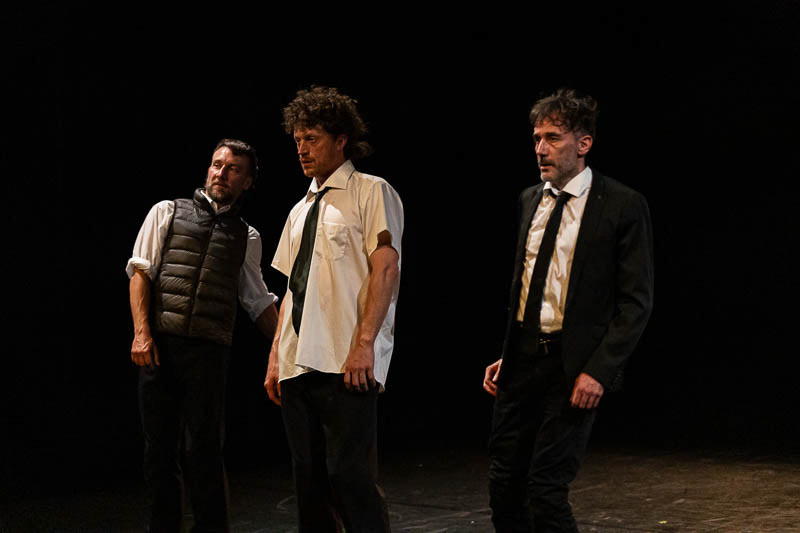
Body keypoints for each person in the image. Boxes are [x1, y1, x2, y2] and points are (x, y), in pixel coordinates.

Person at [483, 89, 654, 532]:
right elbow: (529, 287)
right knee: (503, 484)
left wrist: (599, 371)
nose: (540, 149)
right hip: (522, 362)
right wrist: (510, 350)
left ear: (584, 143)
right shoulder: (529, 200)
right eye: (536, 138)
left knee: (545, 488)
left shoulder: (620, 204)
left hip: (572, 367)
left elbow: (636, 301)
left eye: (553, 138)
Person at [264, 86, 403, 533]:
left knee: (350, 477)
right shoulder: (298, 211)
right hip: (297, 362)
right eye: (297, 140)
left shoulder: (371, 191)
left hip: (346, 360)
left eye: (312, 138)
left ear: (341, 139)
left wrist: (365, 345)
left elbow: (385, 270)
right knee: (309, 483)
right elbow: (291, 290)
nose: (302, 149)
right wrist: (276, 358)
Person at [127, 138, 279, 532]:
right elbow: (140, 273)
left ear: (247, 181)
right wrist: (141, 333)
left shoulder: (246, 236)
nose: (221, 173)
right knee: (159, 452)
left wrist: (287, 349)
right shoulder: (167, 211)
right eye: (217, 164)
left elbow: (256, 299)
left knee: (204, 452)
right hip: (161, 347)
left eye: (233, 169)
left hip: (209, 353)